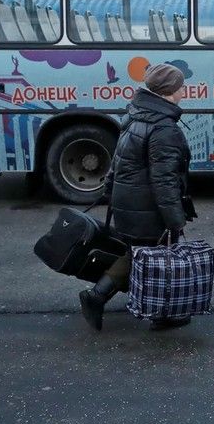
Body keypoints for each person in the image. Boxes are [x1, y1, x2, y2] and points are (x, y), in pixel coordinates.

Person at [79, 63, 195, 332]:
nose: (184, 91)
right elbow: (164, 180)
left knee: (139, 254)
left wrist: (110, 191)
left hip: (129, 200)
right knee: (156, 257)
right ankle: (156, 312)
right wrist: (175, 219)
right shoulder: (164, 127)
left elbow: (118, 161)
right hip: (146, 206)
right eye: (181, 86)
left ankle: (98, 297)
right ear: (169, 92)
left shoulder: (137, 114)